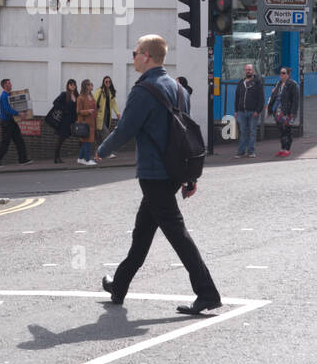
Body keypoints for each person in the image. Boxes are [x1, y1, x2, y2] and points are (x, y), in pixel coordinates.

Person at [94, 34, 221, 316]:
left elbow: (124, 130)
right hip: (175, 171)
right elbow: (184, 134)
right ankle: (119, 286)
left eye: (135, 52)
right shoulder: (179, 90)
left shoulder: (143, 92)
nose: (133, 57)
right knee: (142, 234)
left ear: (147, 56)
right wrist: (190, 177)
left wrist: (101, 150)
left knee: (177, 234)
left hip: (154, 173)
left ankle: (207, 292)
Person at [0, 77, 32, 167]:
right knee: (5, 142)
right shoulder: (4, 96)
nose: (11, 85)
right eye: (9, 83)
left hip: (12, 121)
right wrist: (18, 113)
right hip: (6, 122)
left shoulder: (9, 95)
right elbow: (7, 110)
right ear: (5, 85)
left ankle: (22, 159)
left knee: (19, 140)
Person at [233, 63, 265, 158]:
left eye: (250, 69)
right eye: (246, 70)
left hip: (253, 112)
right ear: (245, 71)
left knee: (252, 132)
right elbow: (237, 97)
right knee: (243, 132)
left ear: (253, 71)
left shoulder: (257, 82)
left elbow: (261, 98)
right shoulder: (241, 83)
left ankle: (251, 151)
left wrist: (258, 111)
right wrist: (236, 111)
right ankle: (241, 151)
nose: (248, 71)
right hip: (242, 112)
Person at [267, 66, 299, 157]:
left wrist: (292, 113)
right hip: (278, 111)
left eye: (284, 73)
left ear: (288, 75)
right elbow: (273, 96)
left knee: (287, 130)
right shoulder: (278, 83)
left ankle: (287, 149)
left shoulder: (293, 85)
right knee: (281, 131)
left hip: (287, 111)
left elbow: (295, 100)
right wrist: (269, 109)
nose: (281, 74)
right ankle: (282, 148)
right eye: (280, 73)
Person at [49, 79, 78, 164]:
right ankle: (56, 158)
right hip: (64, 121)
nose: (72, 86)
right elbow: (55, 102)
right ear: (68, 86)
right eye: (71, 84)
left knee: (80, 136)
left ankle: (82, 157)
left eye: (74, 85)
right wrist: (64, 109)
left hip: (73, 121)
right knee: (61, 139)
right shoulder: (64, 94)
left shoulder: (77, 95)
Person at [76, 79, 98, 165]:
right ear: (86, 86)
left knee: (86, 141)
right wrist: (88, 111)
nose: (92, 86)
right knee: (88, 141)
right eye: (90, 84)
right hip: (85, 123)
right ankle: (87, 159)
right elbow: (78, 111)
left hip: (92, 122)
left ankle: (81, 158)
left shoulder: (91, 96)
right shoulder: (80, 98)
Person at [95, 75, 120, 149]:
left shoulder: (110, 92)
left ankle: (99, 151)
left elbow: (114, 103)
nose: (108, 82)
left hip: (107, 115)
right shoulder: (99, 91)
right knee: (106, 133)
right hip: (99, 116)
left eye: (109, 81)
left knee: (100, 134)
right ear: (103, 82)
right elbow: (94, 102)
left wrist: (117, 113)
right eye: (106, 81)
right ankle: (108, 151)